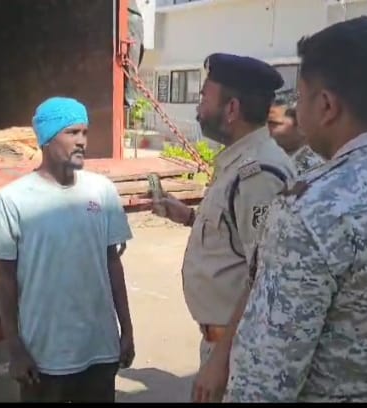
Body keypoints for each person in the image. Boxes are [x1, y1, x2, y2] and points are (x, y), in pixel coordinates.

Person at [223, 16, 367, 402]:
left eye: (300, 98)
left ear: (327, 105)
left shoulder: (310, 211)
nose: (297, 110)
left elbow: (263, 382)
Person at [150, 53, 296, 402]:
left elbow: (266, 276)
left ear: (231, 109)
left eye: (204, 98)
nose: (198, 108)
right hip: (226, 344)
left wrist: (220, 361)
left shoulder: (258, 174)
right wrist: (189, 217)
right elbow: (238, 238)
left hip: (238, 351)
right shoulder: (239, 161)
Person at [0, 97, 135, 403]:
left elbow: (112, 264)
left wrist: (126, 330)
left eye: (84, 132)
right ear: (47, 139)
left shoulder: (102, 190)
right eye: (71, 132)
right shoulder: (12, 199)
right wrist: (15, 350)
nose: (82, 141)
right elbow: (6, 281)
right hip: (44, 357)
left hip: (99, 350)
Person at [267, 98, 324, 175]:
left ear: (301, 127)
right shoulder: (272, 158)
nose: (267, 130)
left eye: (274, 124)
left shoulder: (312, 165)